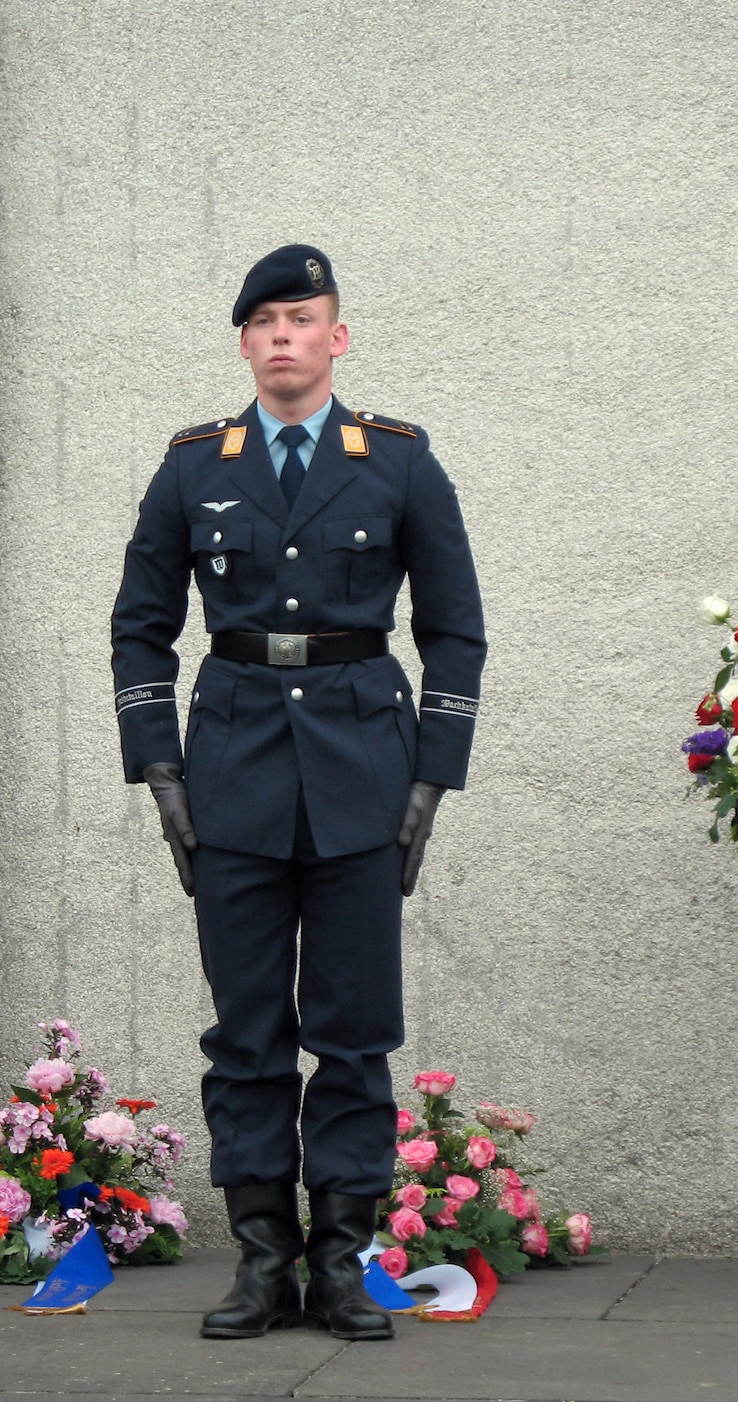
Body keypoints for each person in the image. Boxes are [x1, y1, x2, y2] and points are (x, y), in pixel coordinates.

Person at [111, 245, 486, 1340]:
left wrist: (432, 778)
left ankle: (339, 1261)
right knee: (246, 1032)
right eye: (263, 321)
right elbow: (138, 624)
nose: (282, 336)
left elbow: (453, 630)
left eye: (301, 317)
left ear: (337, 337)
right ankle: (262, 1261)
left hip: (365, 768)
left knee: (354, 1028)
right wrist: (159, 768)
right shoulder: (192, 466)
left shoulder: (399, 462)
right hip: (228, 770)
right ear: (243, 343)